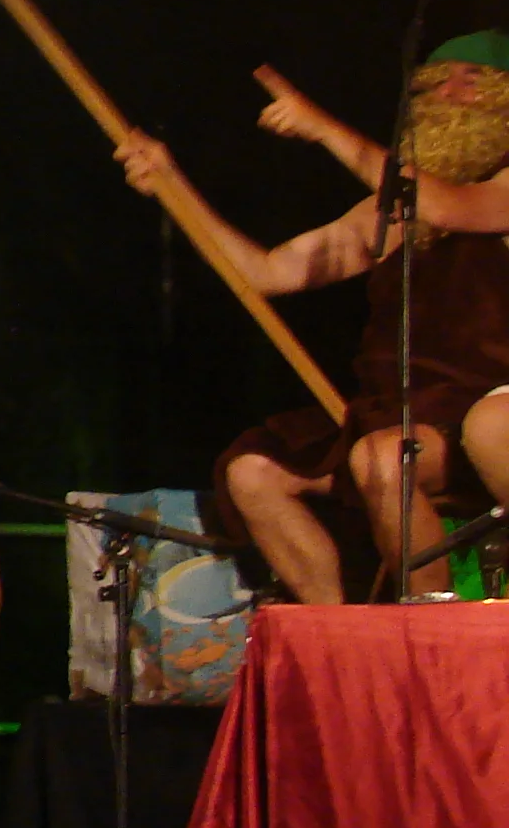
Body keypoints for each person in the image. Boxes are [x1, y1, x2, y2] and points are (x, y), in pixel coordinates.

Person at [115, 34, 509, 601]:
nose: (449, 93)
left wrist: (323, 128)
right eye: (436, 82)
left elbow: (447, 207)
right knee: (254, 471)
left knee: (385, 459)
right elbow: (267, 272)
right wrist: (171, 185)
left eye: (473, 81)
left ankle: (429, 624)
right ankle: (335, 629)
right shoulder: (391, 213)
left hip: (479, 414)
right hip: (395, 416)